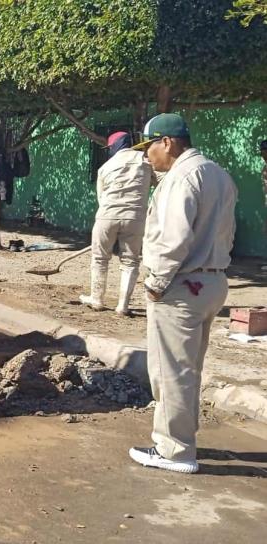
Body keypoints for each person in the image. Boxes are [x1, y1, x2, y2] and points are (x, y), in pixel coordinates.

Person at [127, 113, 236, 474]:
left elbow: (173, 239)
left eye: (149, 147)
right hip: (213, 281)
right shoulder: (218, 174)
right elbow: (228, 233)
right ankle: (183, 438)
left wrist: (155, 284)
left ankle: (174, 451)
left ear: (167, 143)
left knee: (170, 372)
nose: (147, 157)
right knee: (188, 370)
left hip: (181, 285)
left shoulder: (179, 179)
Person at [79, 131, 154, 315]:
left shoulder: (105, 167)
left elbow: (101, 197)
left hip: (107, 215)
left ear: (114, 147)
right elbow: (157, 183)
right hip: (135, 218)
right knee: (130, 261)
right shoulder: (146, 162)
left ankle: (96, 299)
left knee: (99, 258)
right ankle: (123, 306)